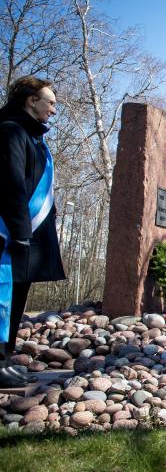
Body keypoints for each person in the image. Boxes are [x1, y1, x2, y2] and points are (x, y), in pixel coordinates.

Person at [0, 75, 65, 388]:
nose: (53, 110)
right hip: (12, 233)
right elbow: (11, 185)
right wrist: (19, 230)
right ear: (30, 101)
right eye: (50, 102)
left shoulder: (33, 137)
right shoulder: (11, 131)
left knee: (17, 298)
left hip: (29, 232)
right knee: (3, 297)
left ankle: (5, 358)